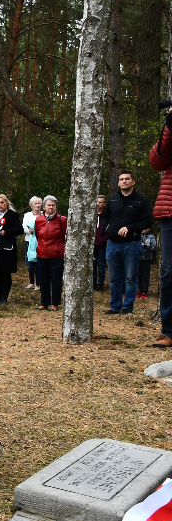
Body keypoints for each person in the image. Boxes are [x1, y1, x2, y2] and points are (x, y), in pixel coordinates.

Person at [103, 170, 152, 315]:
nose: (124, 181)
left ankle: (127, 307)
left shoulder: (140, 201)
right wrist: (108, 229)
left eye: (127, 179)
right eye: (121, 179)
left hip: (131, 244)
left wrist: (130, 228)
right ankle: (115, 306)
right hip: (112, 244)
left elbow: (148, 221)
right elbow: (105, 218)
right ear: (118, 182)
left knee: (130, 277)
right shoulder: (112, 200)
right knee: (113, 278)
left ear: (133, 182)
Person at [147, 113, 172, 347]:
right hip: (170, 211)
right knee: (168, 273)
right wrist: (169, 128)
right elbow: (156, 161)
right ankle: (169, 331)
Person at [34, 195, 66, 311]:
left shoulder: (62, 220)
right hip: (42, 254)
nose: (51, 207)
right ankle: (44, 303)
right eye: (49, 205)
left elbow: (64, 237)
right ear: (44, 207)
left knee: (56, 279)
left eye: (53, 205)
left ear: (56, 207)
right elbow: (38, 235)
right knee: (43, 279)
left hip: (56, 255)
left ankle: (55, 304)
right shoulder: (39, 220)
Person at [0, 194, 20, 304]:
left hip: (8, 248)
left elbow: (19, 230)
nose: (0, 205)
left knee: (6, 273)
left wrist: (6, 232)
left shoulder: (13, 215)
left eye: (2, 202)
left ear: (7, 203)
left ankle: (4, 298)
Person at [22, 196, 41, 290]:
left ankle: (38, 283)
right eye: (35, 204)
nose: (37, 205)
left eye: (39, 203)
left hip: (40, 242)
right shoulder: (27, 215)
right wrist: (30, 230)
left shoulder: (43, 215)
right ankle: (31, 283)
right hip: (29, 241)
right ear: (31, 205)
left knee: (38, 264)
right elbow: (24, 226)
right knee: (30, 264)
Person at [93, 195, 108, 291]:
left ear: (104, 204)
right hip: (92, 246)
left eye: (100, 202)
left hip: (102, 245)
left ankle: (101, 283)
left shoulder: (106, 216)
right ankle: (93, 283)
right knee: (93, 265)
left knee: (101, 264)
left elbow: (108, 230)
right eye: (97, 202)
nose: (98, 204)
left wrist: (102, 240)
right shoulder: (91, 215)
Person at [140, 229, 157, 300]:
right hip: (138, 258)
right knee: (139, 275)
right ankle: (139, 290)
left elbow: (154, 247)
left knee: (145, 276)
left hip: (147, 259)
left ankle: (145, 291)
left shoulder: (151, 237)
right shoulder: (138, 235)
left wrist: (145, 246)